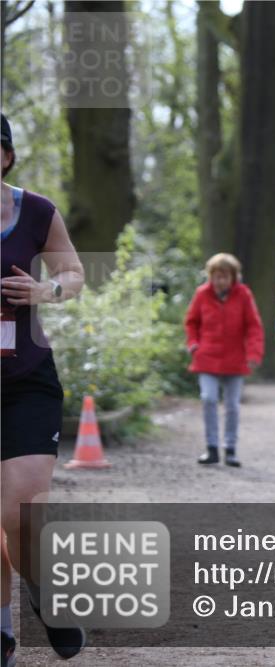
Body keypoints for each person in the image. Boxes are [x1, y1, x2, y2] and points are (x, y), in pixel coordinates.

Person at [1, 113, 87, 665]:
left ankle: (46, 596)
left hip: (25, 380)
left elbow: (74, 274)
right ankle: (3, 630)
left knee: (23, 512)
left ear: (5, 155)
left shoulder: (35, 211)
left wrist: (45, 289)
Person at [183, 253, 263, 467]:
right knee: (208, 398)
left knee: (232, 406)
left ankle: (230, 449)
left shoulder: (244, 295)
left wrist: (254, 354)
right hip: (207, 357)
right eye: (217, 276)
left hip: (235, 359)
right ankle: (211, 448)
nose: (220, 281)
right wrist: (193, 344)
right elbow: (191, 322)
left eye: (225, 277)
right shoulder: (202, 294)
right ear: (211, 276)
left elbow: (254, 327)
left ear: (233, 277)